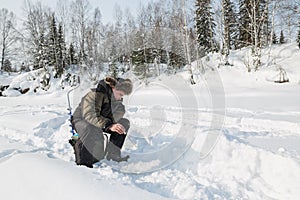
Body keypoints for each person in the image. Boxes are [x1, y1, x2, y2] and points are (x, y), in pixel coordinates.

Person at [71, 77, 133, 168]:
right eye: (120, 94)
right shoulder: (94, 95)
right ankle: (83, 163)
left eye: (122, 96)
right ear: (113, 88)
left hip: (99, 122)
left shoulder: (116, 101)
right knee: (89, 128)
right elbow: (89, 115)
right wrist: (108, 125)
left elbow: (117, 115)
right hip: (80, 120)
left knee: (124, 123)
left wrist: (113, 123)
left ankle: (113, 155)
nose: (120, 98)